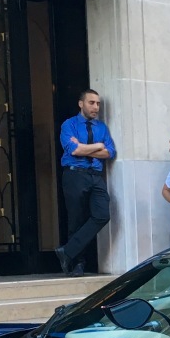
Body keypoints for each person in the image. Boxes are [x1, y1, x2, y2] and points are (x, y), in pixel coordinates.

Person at [56, 88, 117, 277]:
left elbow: (110, 152)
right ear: (81, 104)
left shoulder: (101, 128)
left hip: (95, 176)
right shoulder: (69, 125)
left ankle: (67, 251)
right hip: (75, 174)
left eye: (98, 103)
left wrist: (85, 148)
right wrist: (97, 146)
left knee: (102, 214)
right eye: (92, 103)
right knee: (76, 219)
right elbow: (73, 150)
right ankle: (76, 264)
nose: (96, 107)